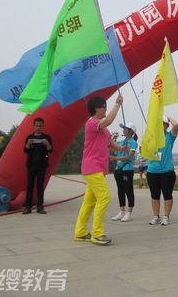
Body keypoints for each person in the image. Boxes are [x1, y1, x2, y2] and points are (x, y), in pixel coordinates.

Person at [74, 94, 128, 245]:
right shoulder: (92, 124)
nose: (106, 109)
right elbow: (109, 120)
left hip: (97, 168)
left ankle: (81, 231)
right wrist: (117, 104)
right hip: (92, 167)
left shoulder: (104, 129)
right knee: (104, 197)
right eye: (104, 107)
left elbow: (111, 144)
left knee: (89, 201)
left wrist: (122, 148)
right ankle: (97, 233)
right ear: (97, 108)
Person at [146, 116, 178, 226]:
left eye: (163, 123)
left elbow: (176, 126)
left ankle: (166, 216)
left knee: (167, 195)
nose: (160, 126)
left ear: (166, 126)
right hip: (152, 170)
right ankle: (156, 216)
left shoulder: (169, 136)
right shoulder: (151, 137)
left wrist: (168, 118)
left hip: (167, 171)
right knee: (154, 195)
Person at [22, 117, 53, 215]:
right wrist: (28, 144)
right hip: (31, 165)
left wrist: (47, 144)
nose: (38, 128)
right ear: (33, 126)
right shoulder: (29, 137)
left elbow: (51, 150)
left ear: (43, 126)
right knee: (29, 186)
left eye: (40, 126)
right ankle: (28, 207)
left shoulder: (46, 137)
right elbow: (25, 150)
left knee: (40, 186)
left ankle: (40, 206)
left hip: (42, 165)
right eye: (37, 126)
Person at [110, 123, 138, 223]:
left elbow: (128, 157)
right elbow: (112, 147)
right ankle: (121, 211)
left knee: (128, 190)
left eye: (126, 129)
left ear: (131, 131)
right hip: (119, 169)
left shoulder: (133, 143)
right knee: (120, 190)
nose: (124, 130)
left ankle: (129, 213)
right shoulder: (121, 142)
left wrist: (115, 158)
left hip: (127, 169)